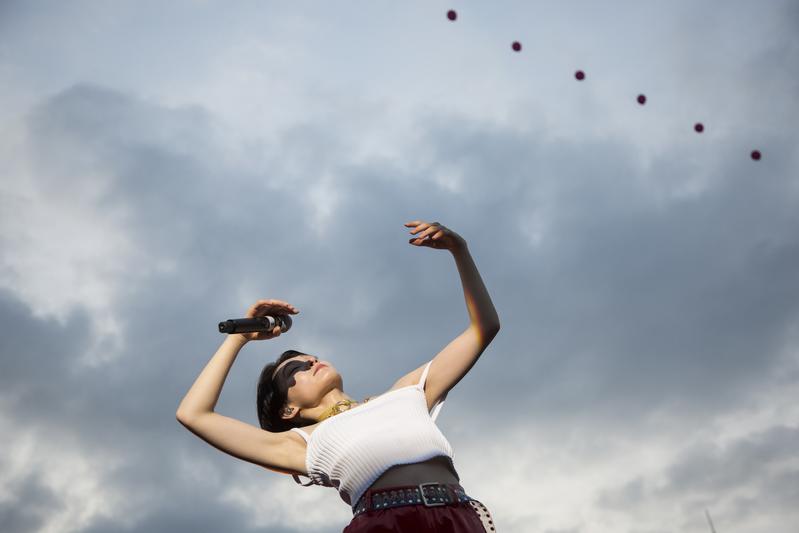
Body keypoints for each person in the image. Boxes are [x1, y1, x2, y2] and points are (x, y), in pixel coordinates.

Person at [176, 221, 501, 532]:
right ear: (288, 410)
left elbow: (482, 329)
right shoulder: (302, 444)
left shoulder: (407, 393)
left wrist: (460, 250)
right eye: (295, 370)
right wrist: (238, 338)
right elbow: (193, 414)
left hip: (458, 519)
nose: (310, 362)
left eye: (310, 357)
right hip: (383, 525)